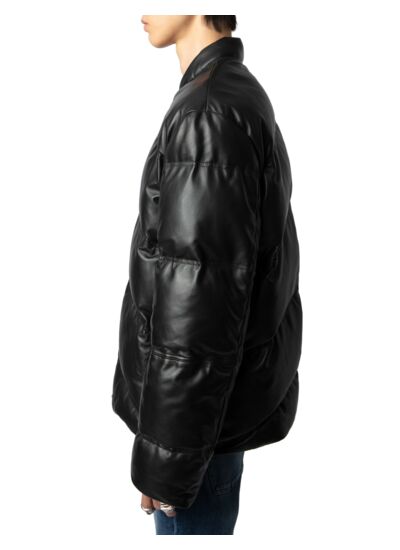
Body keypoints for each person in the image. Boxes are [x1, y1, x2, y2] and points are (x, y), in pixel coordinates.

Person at [111, 15, 303, 535]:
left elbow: (197, 306)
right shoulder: (227, 93)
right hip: (206, 420)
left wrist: (168, 462)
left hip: (195, 435)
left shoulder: (208, 113)